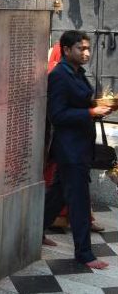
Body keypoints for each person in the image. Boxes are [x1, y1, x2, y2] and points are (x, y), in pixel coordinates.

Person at [42, 30, 113, 269]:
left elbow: (79, 102)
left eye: (88, 48)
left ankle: (36, 231)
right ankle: (84, 254)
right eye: (80, 49)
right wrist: (90, 112)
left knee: (57, 194)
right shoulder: (59, 76)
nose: (86, 53)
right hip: (69, 149)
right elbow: (57, 115)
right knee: (79, 201)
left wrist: (100, 106)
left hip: (80, 146)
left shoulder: (77, 73)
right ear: (66, 50)